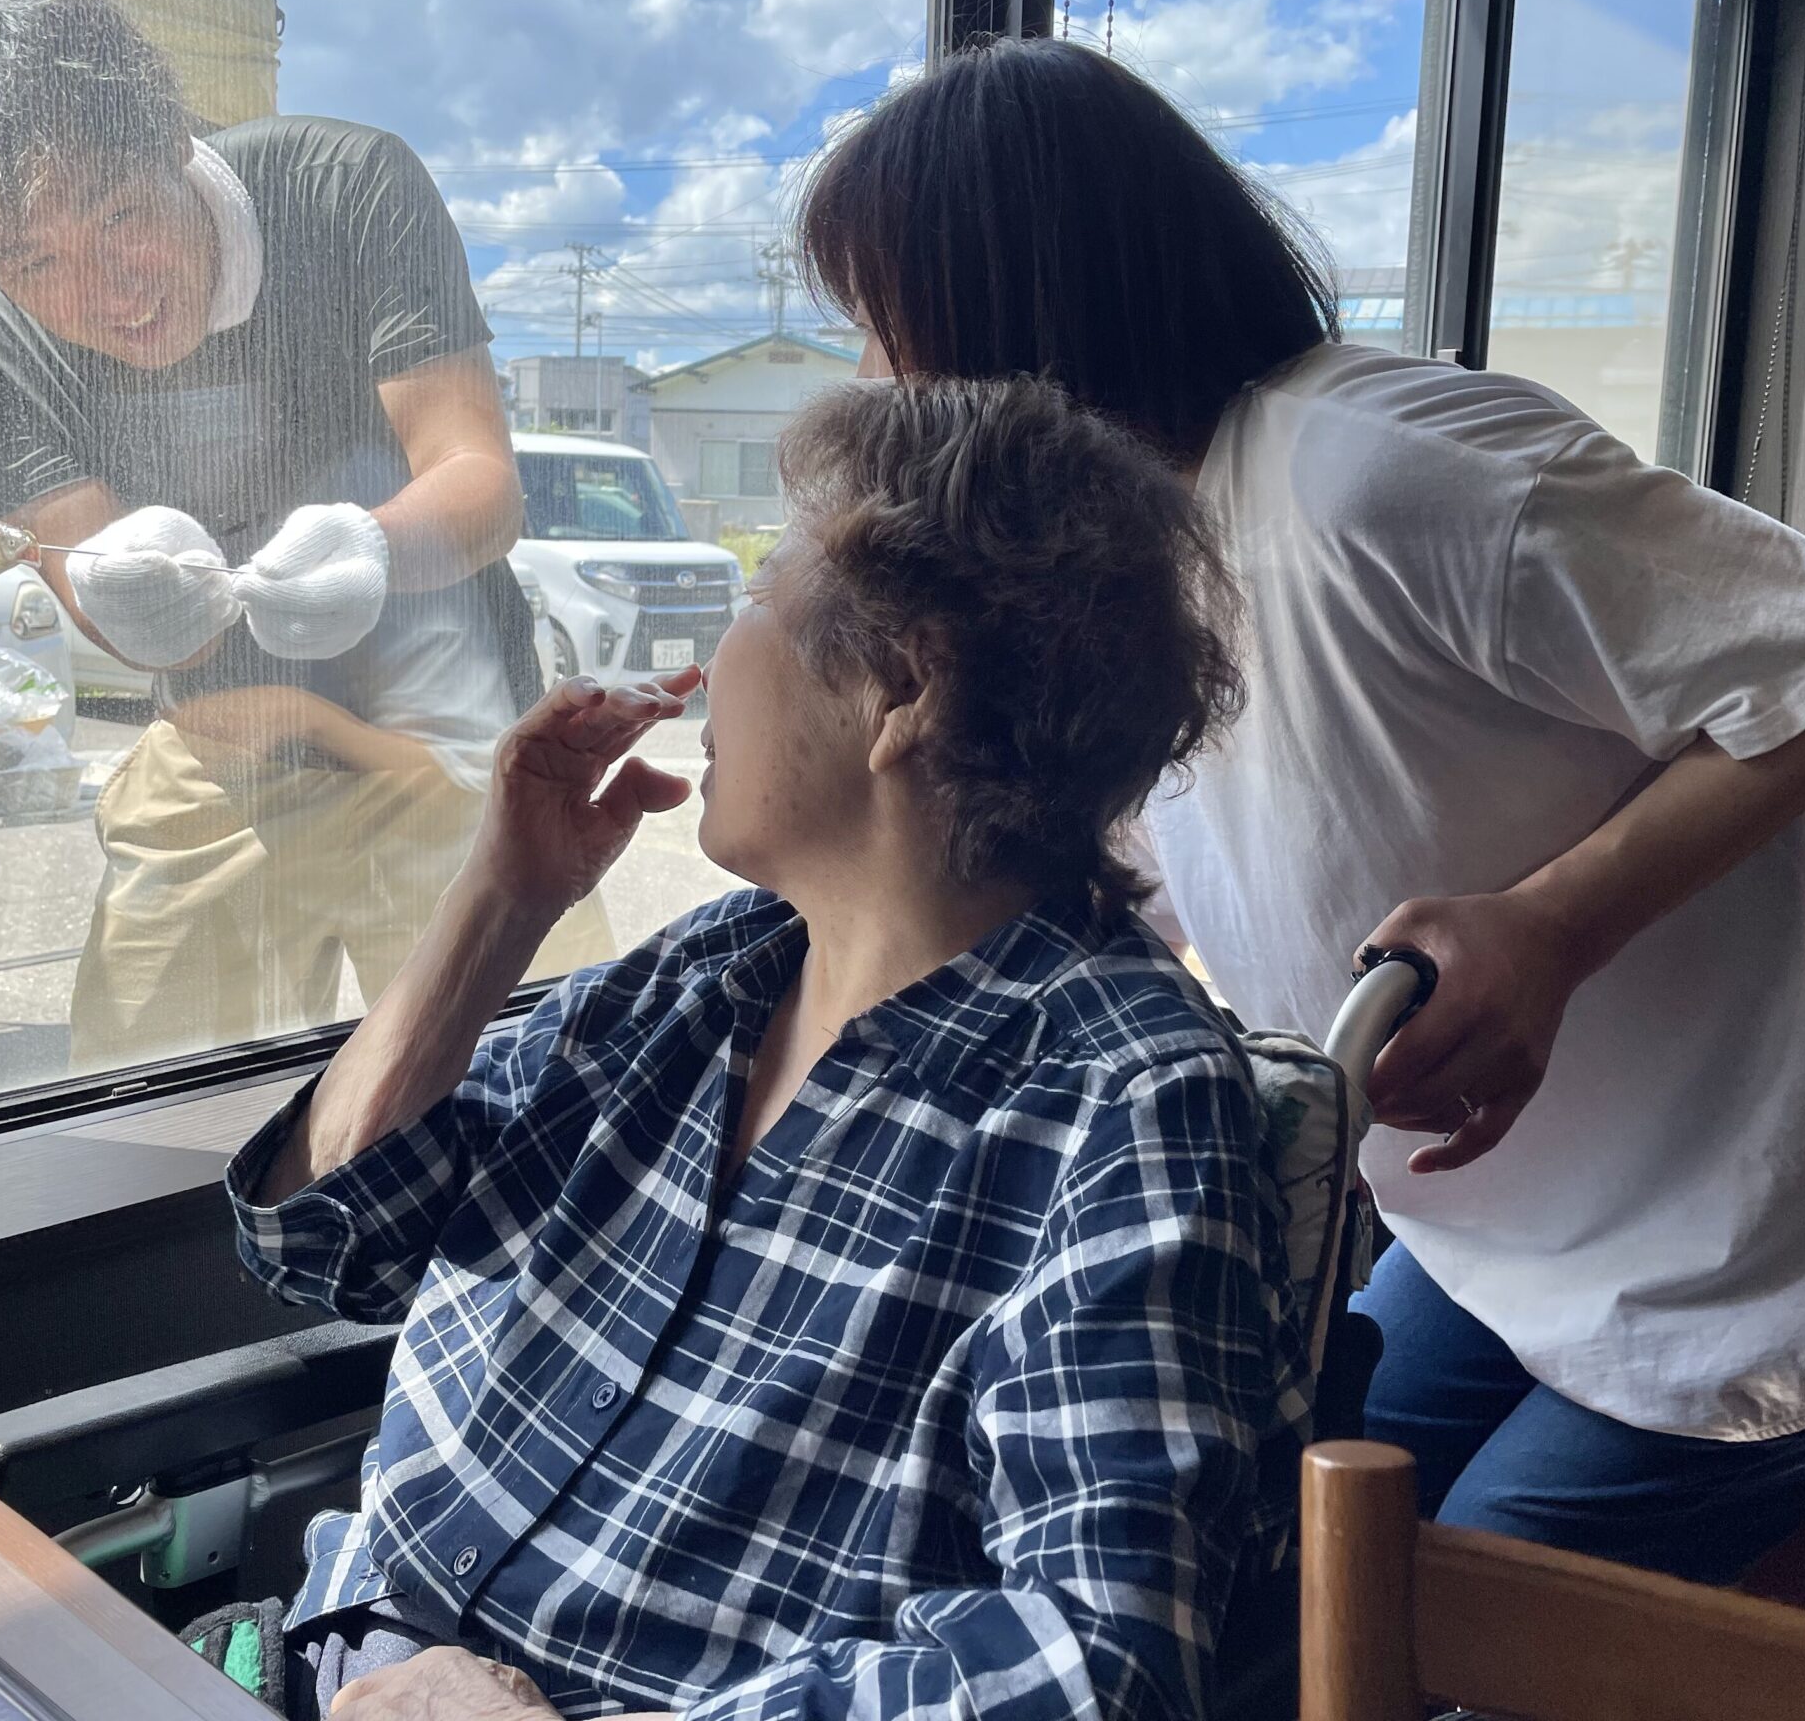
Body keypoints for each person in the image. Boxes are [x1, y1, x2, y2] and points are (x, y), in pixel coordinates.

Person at [792, 35, 1805, 1586]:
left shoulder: (1374, 470)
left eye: (883, 326)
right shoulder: (1130, 566)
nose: (873, 381)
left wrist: (1551, 926)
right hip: (1555, 1193)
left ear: (1017, 309)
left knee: (1476, 1590)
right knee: (1300, 1527)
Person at [226, 375, 1307, 1719]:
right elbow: (328, 1242)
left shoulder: (1122, 1100)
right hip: (323, 1659)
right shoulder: (709, 976)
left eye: (756, 599)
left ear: (900, 688)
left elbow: (1099, 1664)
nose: (710, 662)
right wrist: (504, 895)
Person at [0, 0, 612, 1071]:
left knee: (536, 1089)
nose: (108, 290)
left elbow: (478, 479)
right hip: (220, 747)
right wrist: (123, 596)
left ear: (172, 140)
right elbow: (82, 562)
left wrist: (373, 547)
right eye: (32, 261)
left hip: (447, 734)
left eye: (120, 215)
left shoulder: (343, 186)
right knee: (139, 1104)